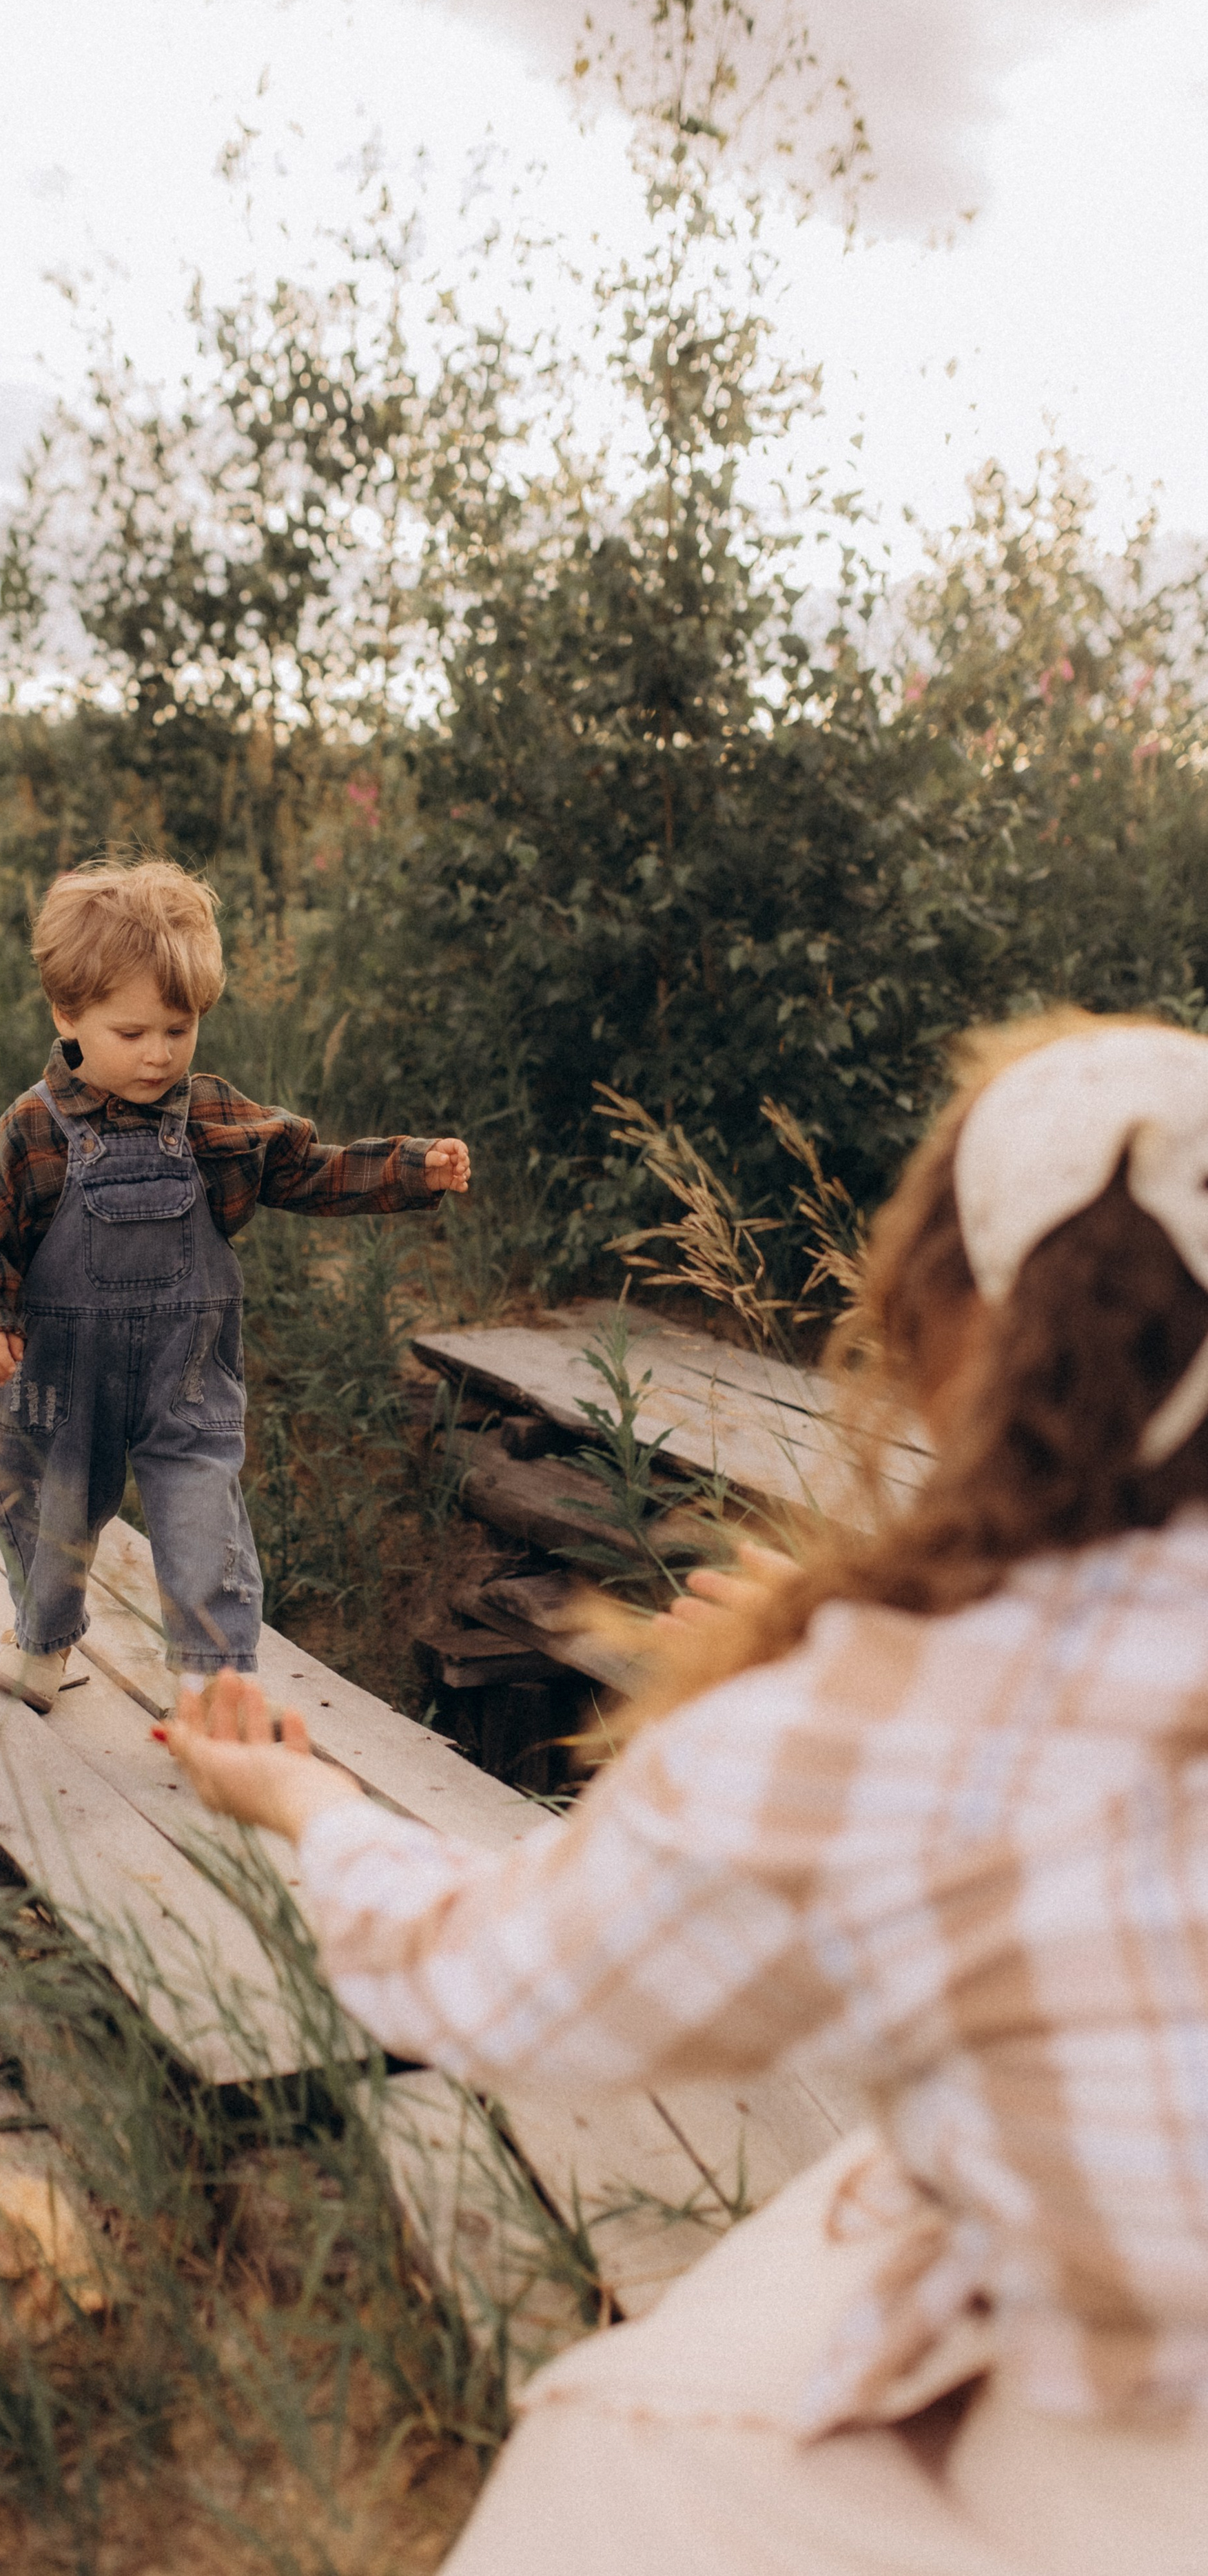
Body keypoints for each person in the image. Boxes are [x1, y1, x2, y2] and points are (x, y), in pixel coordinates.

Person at [163, 1010, 1208, 2575]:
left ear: (951, 1319)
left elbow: (496, 1982)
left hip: (1127, 2476)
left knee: (612, 2459)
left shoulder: (876, 1722)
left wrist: (303, 1799)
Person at [0, 856, 471, 1709]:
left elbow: (306, 1168)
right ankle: (43, 1641)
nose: (158, 1055)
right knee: (41, 1502)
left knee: (202, 1515)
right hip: (60, 1381)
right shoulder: (37, 1126)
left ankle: (213, 1681)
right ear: (67, 1015)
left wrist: (409, 1168)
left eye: (178, 1030)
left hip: (184, 1374)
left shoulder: (210, 1115)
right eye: (131, 1033)